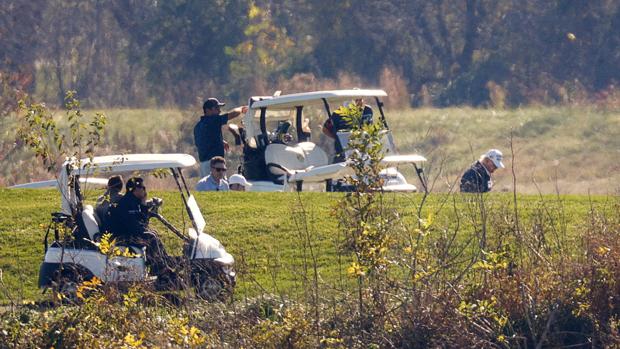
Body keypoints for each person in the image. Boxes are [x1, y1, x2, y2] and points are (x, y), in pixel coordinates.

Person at [108, 177, 171, 276]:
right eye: (142, 187)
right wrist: (143, 206)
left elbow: (142, 223)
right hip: (123, 237)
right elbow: (135, 226)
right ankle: (160, 270)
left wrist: (143, 203)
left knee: (153, 233)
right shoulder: (126, 203)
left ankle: (164, 264)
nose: (145, 190)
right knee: (151, 236)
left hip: (129, 233)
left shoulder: (134, 201)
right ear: (135, 189)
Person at [194, 97, 248, 177]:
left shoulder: (198, 126)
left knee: (207, 188)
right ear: (208, 110)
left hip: (203, 164)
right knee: (220, 187)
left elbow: (204, 141)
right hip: (215, 165)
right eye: (216, 108)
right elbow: (232, 114)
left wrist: (221, 141)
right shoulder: (213, 120)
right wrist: (241, 109)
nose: (219, 111)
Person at [322, 97, 374, 162]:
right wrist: (338, 138)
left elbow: (370, 127)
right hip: (344, 152)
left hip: (363, 150)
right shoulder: (338, 114)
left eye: (360, 100)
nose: (359, 102)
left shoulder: (367, 110)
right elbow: (325, 129)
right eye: (357, 100)